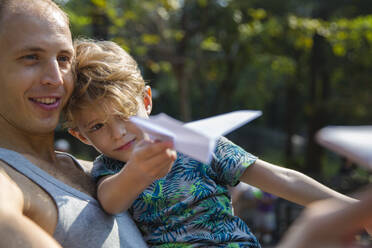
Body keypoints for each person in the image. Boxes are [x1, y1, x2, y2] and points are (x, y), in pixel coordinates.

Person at [65, 39, 358, 247]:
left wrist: (357, 211)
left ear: (146, 101)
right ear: (81, 136)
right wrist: (138, 172)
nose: (118, 134)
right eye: (98, 126)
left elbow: (279, 177)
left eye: (125, 114)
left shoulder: (193, 140)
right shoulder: (107, 169)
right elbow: (110, 200)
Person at [0, 0, 147, 247]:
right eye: (31, 57)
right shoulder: (6, 177)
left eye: (64, 58)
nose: (55, 78)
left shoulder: (101, 170)